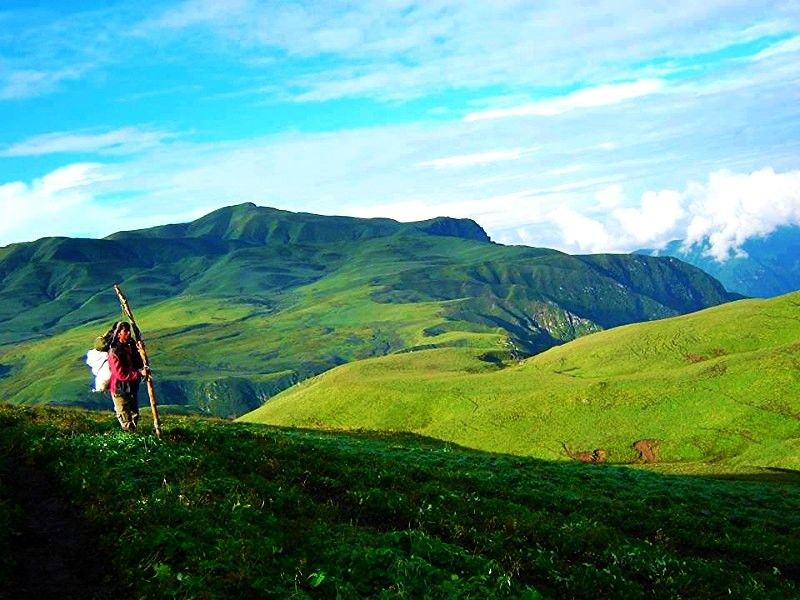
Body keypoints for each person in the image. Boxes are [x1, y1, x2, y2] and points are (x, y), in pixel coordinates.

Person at [108, 321, 146, 432]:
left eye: (129, 331)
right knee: (125, 417)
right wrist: (139, 374)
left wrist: (141, 351)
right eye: (126, 331)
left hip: (132, 387)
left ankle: (133, 437)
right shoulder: (114, 352)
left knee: (134, 414)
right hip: (120, 389)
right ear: (119, 333)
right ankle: (129, 440)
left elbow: (138, 363)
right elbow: (121, 374)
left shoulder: (131, 347)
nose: (129, 333)